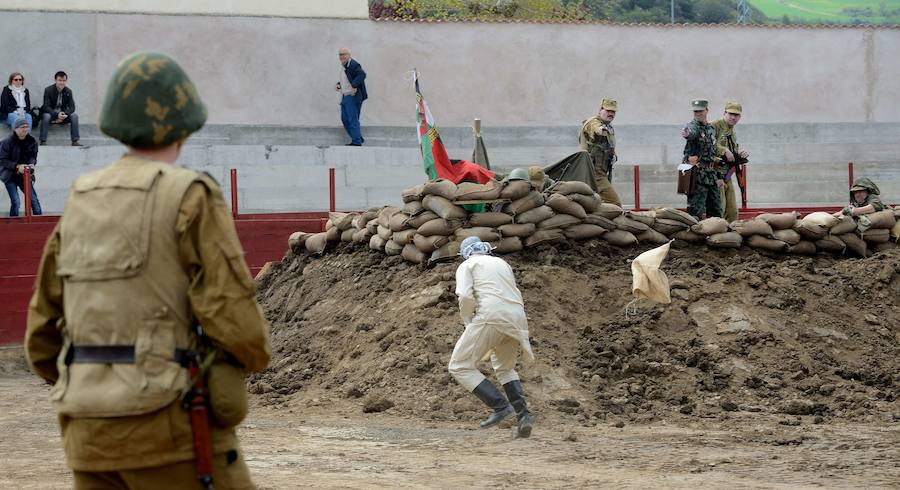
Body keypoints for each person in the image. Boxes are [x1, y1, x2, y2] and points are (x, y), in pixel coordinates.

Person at [25, 51, 271, 489]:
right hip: (173, 432)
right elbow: (240, 328)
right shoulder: (191, 195)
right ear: (185, 120)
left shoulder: (81, 198)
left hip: (87, 435)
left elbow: (42, 341)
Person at [448, 236, 535, 438]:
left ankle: (500, 406)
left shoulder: (467, 265)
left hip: (491, 315)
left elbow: (466, 296)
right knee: (505, 368)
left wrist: (467, 320)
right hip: (517, 317)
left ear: (465, 253)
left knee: (459, 366)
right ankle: (524, 417)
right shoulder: (501, 263)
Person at [682, 99, 723, 219]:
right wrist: (686, 133)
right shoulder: (693, 126)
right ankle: (694, 236)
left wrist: (719, 176)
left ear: (707, 110)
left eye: (700, 111)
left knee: (716, 210)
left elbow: (713, 154)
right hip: (697, 176)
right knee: (695, 212)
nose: (698, 114)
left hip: (711, 175)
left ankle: (716, 236)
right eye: (695, 112)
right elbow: (690, 132)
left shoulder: (710, 129)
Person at [710, 102, 749, 222]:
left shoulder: (731, 131)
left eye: (736, 115)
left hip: (727, 175)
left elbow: (731, 154)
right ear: (724, 113)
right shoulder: (714, 125)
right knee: (719, 209)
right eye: (731, 114)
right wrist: (724, 150)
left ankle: (729, 236)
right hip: (715, 174)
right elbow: (706, 145)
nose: (733, 117)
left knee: (732, 212)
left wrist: (739, 154)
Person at [579, 98, 621, 205]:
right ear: (600, 110)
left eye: (613, 112)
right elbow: (595, 128)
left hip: (602, 173)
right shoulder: (593, 122)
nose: (611, 114)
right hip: (594, 174)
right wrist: (600, 130)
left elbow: (605, 146)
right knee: (614, 203)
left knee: (598, 204)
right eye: (608, 111)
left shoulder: (609, 128)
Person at [0, 117, 43, 216]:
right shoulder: (7, 142)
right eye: (22, 127)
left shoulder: (32, 141)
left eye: (27, 127)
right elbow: (2, 160)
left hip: (25, 175)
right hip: (9, 176)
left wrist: (31, 165)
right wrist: (17, 166)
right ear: (15, 129)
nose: (25, 129)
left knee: (34, 201)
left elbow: (33, 157)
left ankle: (39, 227)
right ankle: (13, 225)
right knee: (16, 202)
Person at [335, 47, 367, 146]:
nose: (342, 56)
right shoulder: (344, 66)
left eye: (344, 54)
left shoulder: (353, 64)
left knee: (352, 119)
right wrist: (339, 84)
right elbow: (347, 79)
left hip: (352, 96)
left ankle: (356, 141)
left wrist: (354, 85)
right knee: (344, 118)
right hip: (345, 96)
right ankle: (357, 137)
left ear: (349, 55)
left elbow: (362, 75)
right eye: (340, 54)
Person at [40, 71, 81, 146]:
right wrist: (56, 115)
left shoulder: (68, 91)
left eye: (64, 80)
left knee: (74, 116)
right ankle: (43, 141)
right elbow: (46, 107)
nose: (62, 83)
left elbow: (72, 107)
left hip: (62, 115)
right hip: (51, 115)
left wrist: (64, 114)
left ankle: (75, 141)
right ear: (55, 80)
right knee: (46, 116)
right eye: (60, 80)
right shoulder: (48, 90)